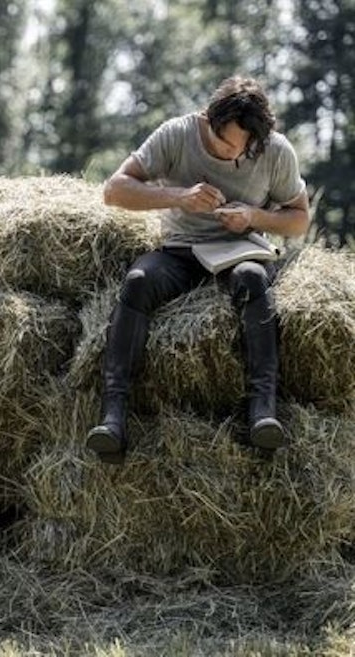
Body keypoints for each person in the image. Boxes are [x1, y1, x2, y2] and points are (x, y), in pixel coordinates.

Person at [86, 76, 310, 463]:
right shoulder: (177, 134)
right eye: (222, 143)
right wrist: (180, 197)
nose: (228, 154)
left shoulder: (276, 151)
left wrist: (253, 216)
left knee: (254, 279)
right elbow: (114, 190)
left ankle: (263, 411)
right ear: (208, 119)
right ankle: (113, 417)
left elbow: (299, 219)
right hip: (179, 250)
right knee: (137, 281)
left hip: (240, 251)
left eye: (239, 150)